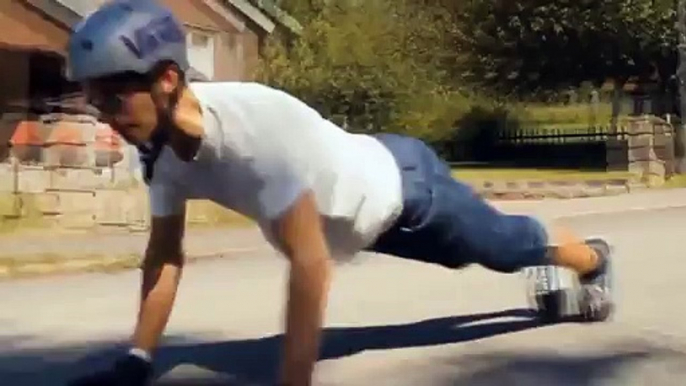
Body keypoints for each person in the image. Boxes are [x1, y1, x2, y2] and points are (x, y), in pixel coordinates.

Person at [66, 1, 613, 385]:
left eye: (113, 101)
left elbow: (309, 263)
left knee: (501, 249)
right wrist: (137, 359)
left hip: (407, 194)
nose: (107, 118)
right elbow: (164, 256)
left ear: (165, 79)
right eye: (95, 105)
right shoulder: (160, 155)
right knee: (480, 256)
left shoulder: (255, 126)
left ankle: (591, 259)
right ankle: (546, 254)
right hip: (365, 203)